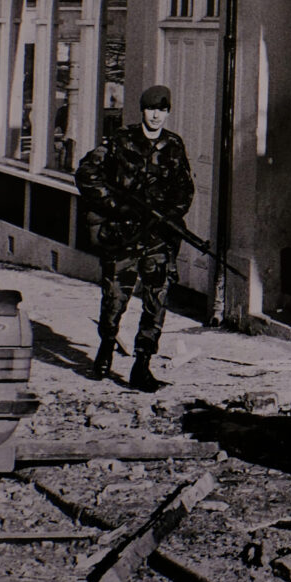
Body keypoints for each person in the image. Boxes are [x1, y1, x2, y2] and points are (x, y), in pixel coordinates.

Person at [75, 85, 194, 392]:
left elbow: (184, 188)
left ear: (168, 112)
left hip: (157, 239)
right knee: (115, 299)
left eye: (162, 110)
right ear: (142, 110)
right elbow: (87, 174)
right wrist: (116, 206)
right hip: (123, 236)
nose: (156, 115)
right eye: (151, 109)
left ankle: (142, 364)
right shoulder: (120, 141)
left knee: (157, 300)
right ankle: (106, 346)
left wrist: (170, 213)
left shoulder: (173, 145)